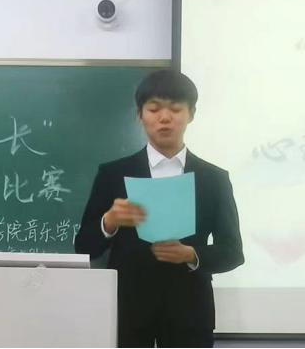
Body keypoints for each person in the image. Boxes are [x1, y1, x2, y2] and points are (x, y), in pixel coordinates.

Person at [75, 69, 244, 348]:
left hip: (190, 314)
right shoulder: (113, 174)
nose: (164, 118)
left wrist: (191, 254)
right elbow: (84, 246)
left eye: (175, 109)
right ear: (139, 115)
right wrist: (110, 221)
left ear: (191, 114)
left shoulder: (213, 179)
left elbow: (233, 252)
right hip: (127, 313)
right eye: (154, 109)